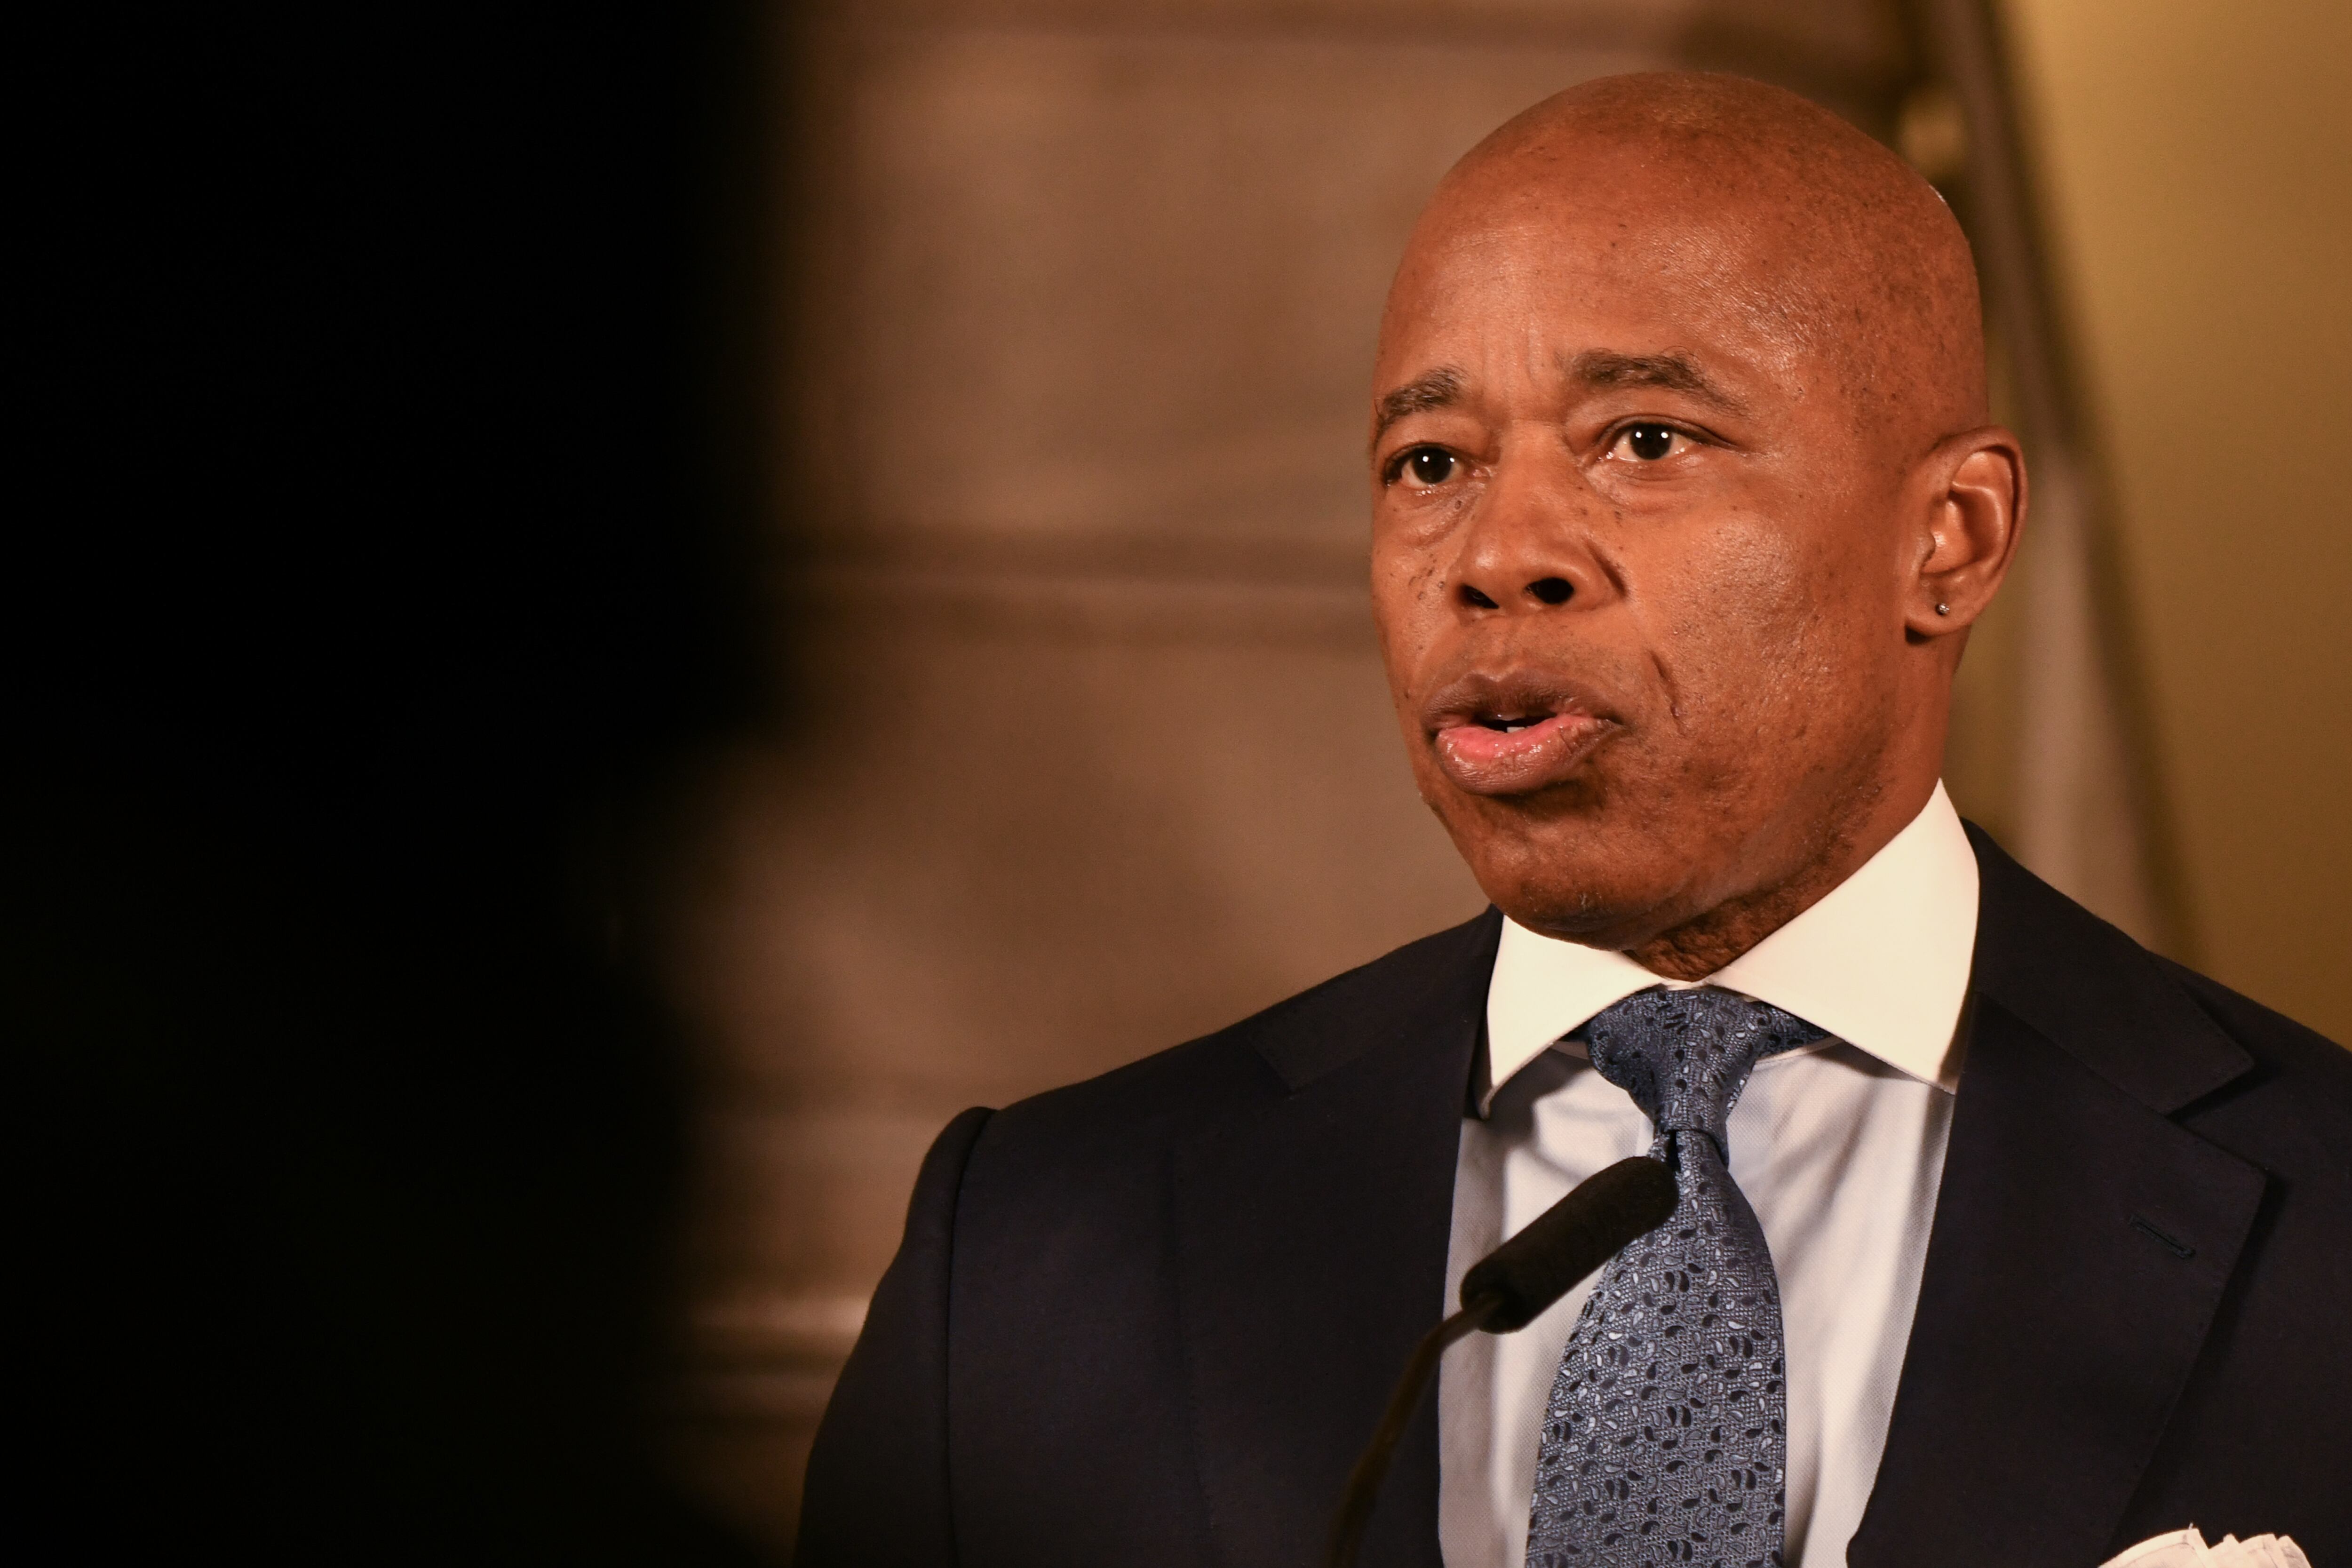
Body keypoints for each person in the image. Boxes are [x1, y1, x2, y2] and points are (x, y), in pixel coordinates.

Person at [795, 73, 2350, 1568]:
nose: (1498, 553)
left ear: (1951, 540)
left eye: (1647, 440)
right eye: (1430, 464)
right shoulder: (1029, 1253)